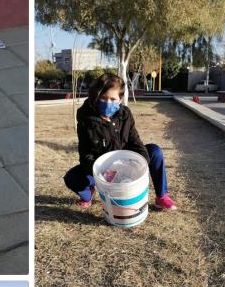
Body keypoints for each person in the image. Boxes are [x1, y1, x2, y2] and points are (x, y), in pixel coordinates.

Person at [64, 73, 177, 211]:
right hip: (102, 169)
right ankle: (89, 194)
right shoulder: (85, 119)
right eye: (104, 98)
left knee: (155, 151)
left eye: (113, 99)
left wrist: (139, 166)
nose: (108, 103)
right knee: (71, 178)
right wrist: (102, 172)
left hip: (127, 162)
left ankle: (162, 196)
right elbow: (85, 153)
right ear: (96, 97)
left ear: (120, 99)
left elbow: (135, 141)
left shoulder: (125, 114)